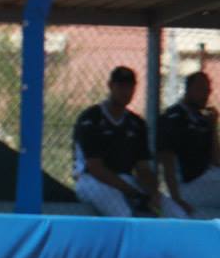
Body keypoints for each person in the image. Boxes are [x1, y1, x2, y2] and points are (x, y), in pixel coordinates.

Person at [72, 67, 185, 218]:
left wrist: (153, 193)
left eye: (130, 86)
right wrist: (132, 193)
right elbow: (95, 168)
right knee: (123, 214)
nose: (126, 91)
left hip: (125, 179)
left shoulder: (136, 123)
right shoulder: (91, 118)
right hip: (91, 180)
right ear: (110, 86)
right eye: (121, 86)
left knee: (177, 214)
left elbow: (142, 168)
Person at [157, 72, 220, 213]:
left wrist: (213, 127)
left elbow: (216, 161)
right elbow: (168, 161)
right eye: (201, 89)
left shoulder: (202, 120)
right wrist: (176, 198)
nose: (205, 95)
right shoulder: (174, 117)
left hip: (208, 179)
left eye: (208, 90)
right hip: (187, 185)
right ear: (188, 89)